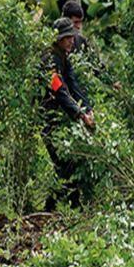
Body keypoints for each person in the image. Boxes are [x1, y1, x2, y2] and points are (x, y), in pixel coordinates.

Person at [41, 17, 95, 209]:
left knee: (67, 163)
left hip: (59, 117)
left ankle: (64, 206)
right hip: (46, 119)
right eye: (67, 38)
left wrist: (88, 109)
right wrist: (80, 115)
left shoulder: (64, 57)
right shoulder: (49, 60)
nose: (72, 41)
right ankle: (59, 207)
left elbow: (73, 84)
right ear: (58, 39)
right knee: (64, 163)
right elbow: (60, 91)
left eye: (72, 37)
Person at [61, 0, 121, 91]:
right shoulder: (52, 41)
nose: (79, 26)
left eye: (80, 22)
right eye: (76, 22)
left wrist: (112, 81)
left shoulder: (80, 41)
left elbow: (95, 63)